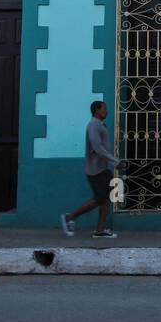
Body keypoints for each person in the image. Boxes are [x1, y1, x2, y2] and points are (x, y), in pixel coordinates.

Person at [62, 100, 121, 239]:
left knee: (107, 199)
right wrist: (115, 161)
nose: (106, 111)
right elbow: (97, 147)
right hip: (95, 170)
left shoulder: (98, 125)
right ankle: (70, 217)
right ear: (96, 111)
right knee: (101, 199)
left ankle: (99, 231)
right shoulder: (93, 125)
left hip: (102, 168)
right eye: (104, 109)